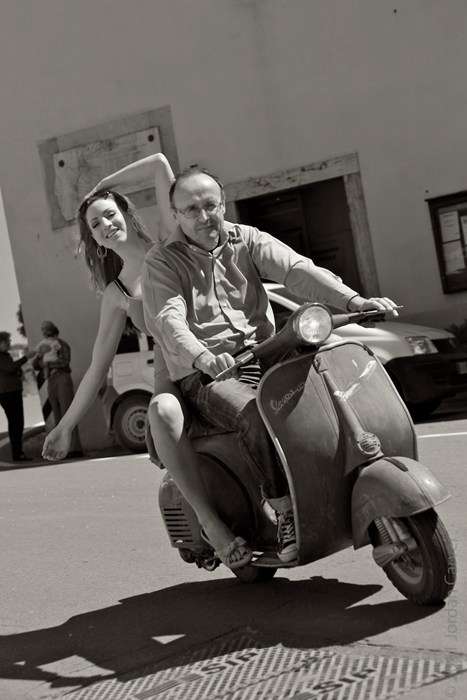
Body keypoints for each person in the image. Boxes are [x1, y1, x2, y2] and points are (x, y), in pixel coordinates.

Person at [142, 166, 399, 564]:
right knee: (256, 414)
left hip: (266, 351)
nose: (203, 216)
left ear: (223, 204)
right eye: (191, 209)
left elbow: (295, 269)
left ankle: (359, 466)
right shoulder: (162, 261)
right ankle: (284, 510)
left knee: (334, 366)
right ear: (176, 215)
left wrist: (355, 301)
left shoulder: (246, 238)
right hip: (209, 372)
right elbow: (168, 319)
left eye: (210, 205)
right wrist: (204, 356)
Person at [40, 154, 251, 570]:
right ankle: (212, 525)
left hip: (227, 346)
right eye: (95, 225)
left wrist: (100, 185)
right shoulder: (116, 293)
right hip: (173, 373)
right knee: (161, 411)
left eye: (109, 214)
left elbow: (157, 164)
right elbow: (96, 368)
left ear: (125, 212)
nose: (105, 225)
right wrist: (63, 427)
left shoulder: (169, 238)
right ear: (93, 240)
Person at [33, 321, 83, 458]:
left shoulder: (62, 344)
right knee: (57, 413)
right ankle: (61, 448)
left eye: (45, 329)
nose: (44, 332)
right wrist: (40, 358)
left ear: (52, 330)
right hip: (51, 380)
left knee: (68, 412)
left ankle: (75, 448)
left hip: (62, 377)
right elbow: (35, 365)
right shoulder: (43, 345)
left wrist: (46, 363)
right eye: (43, 329)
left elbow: (64, 361)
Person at [0, 331, 32, 462]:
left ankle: (18, 453)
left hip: (11, 391)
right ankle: (18, 454)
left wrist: (18, 371)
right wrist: (26, 358)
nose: (9, 343)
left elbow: (12, 369)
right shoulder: (1, 356)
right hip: (8, 392)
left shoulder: (5, 355)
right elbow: (10, 368)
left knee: (16, 422)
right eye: (7, 341)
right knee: (16, 423)